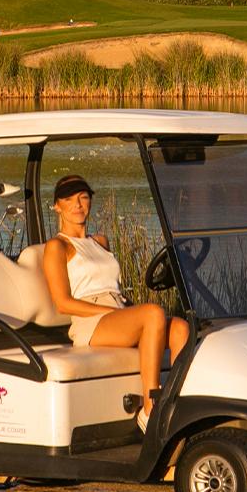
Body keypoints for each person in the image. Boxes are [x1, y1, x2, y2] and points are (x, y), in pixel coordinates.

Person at [40, 173, 188, 432]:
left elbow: (112, 287)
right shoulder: (57, 246)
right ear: (56, 206)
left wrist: (122, 308)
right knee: (152, 313)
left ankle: (178, 402)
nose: (77, 204)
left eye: (83, 197)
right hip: (90, 321)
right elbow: (63, 303)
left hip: (115, 312)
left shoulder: (100, 242)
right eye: (69, 199)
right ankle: (151, 406)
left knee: (180, 328)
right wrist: (109, 310)